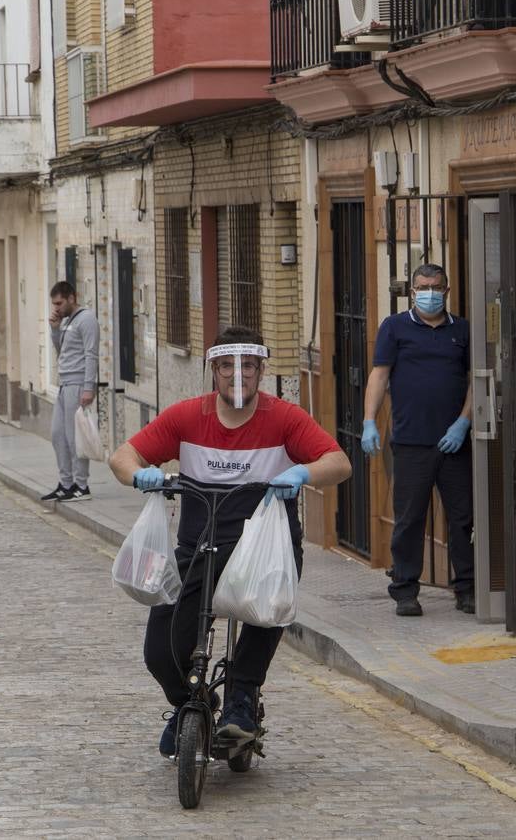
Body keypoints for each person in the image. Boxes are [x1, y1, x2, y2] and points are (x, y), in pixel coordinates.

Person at [109, 326, 352, 756]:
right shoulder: (187, 416)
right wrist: (139, 474)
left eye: (247, 367)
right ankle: (191, 705)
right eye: (226, 366)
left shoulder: (285, 418)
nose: (237, 376)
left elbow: (338, 462)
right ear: (213, 371)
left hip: (264, 553)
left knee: (266, 613)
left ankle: (241, 701)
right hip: (199, 547)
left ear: (260, 371)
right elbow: (122, 456)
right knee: (160, 651)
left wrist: (301, 473)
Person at [361, 263, 475, 617]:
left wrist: (463, 423)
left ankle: (468, 589)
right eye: (422, 286)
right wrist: (369, 422)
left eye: (436, 287)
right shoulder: (394, 328)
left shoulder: (463, 330)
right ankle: (406, 590)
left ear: (447, 290)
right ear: (412, 291)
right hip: (410, 441)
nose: (429, 292)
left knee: (463, 519)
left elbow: (477, 380)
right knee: (409, 519)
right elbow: (379, 376)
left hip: (454, 443)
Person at [43, 281, 98, 502]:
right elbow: (61, 351)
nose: (56, 307)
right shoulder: (66, 322)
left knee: (75, 437)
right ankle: (66, 483)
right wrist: (55, 330)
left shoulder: (86, 319)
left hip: (77, 384)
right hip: (64, 383)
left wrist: (88, 387)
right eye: (54, 303)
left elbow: (91, 354)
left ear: (72, 298)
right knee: (58, 435)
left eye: (59, 303)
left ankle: (81, 485)